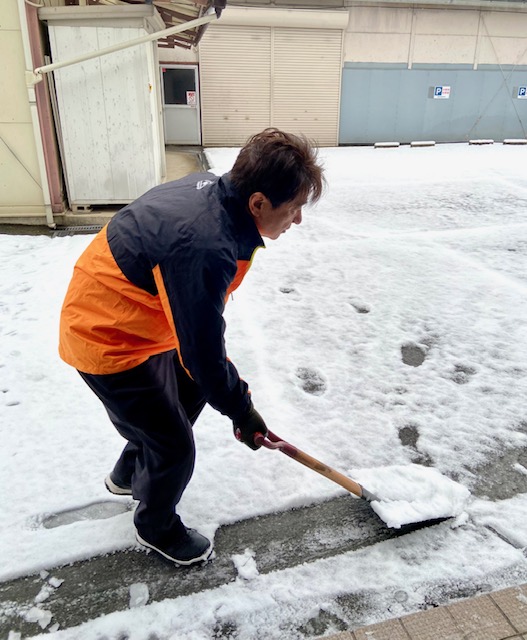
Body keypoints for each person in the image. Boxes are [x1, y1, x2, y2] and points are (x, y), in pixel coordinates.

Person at [59, 128, 324, 567]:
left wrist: (229, 397)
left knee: (191, 391)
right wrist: (243, 411)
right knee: (175, 446)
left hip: (141, 319)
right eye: (293, 208)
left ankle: (129, 474)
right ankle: (156, 526)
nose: (297, 220)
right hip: (106, 337)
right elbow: (202, 354)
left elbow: (200, 356)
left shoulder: (218, 196)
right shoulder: (203, 243)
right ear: (257, 203)